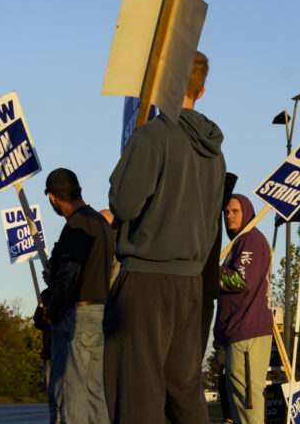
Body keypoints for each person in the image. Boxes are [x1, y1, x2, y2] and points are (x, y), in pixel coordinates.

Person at [104, 51, 227, 424]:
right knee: (184, 391)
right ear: (201, 92)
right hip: (190, 281)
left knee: (137, 391)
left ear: (162, 85)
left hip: (146, 279)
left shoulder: (152, 137)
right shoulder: (214, 152)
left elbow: (123, 204)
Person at [36, 168, 114, 424]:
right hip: (101, 315)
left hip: (77, 318)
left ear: (52, 198)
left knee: (70, 395)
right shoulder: (100, 223)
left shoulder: (75, 226)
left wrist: (53, 312)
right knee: (95, 395)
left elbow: (70, 276)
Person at [214, 193, 274, 424]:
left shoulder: (250, 239)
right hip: (238, 333)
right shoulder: (239, 242)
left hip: (247, 333)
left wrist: (213, 270)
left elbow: (242, 280)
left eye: (235, 211)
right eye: (226, 212)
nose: (229, 216)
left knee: (248, 403)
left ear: (247, 213)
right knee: (239, 404)